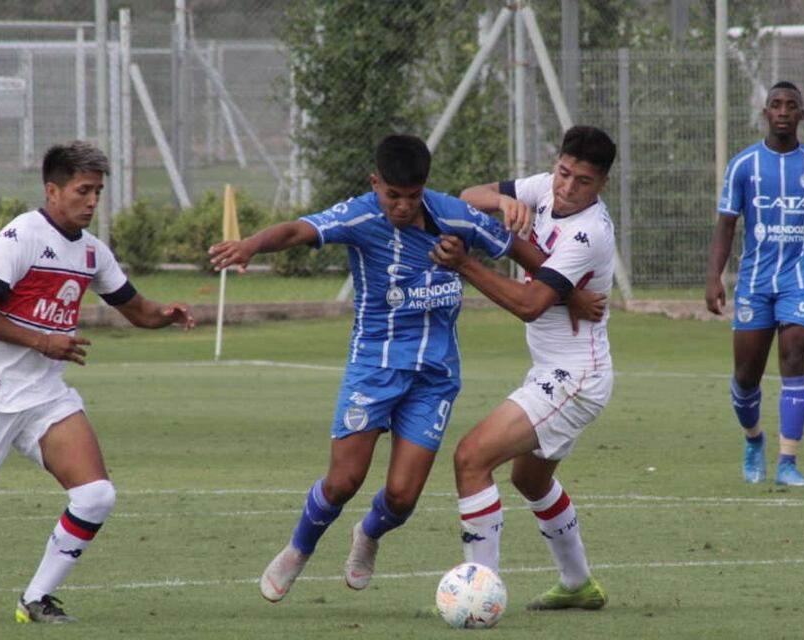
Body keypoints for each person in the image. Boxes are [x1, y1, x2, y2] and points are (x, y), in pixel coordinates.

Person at [208, 134, 605, 603]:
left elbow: (518, 250)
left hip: (434, 377)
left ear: (424, 189)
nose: (400, 206)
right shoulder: (359, 215)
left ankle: (368, 535)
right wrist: (252, 245)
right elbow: (298, 231)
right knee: (343, 481)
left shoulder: (453, 217)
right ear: (375, 184)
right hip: (374, 367)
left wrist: (568, 289)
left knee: (401, 497)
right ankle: (298, 549)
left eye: (411, 197)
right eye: (391, 195)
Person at [0, 140, 195, 623]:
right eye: (83, 190)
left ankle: (34, 600)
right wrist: (41, 341)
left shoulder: (93, 254)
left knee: (96, 495)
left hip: (44, 398)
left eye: (98, 191)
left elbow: (136, 310)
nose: (93, 202)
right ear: (52, 190)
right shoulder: (21, 238)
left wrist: (166, 314)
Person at [429, 125, 617, 611]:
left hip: (574, 378)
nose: (567, 188)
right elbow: (467, 196)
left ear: (601, 186)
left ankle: (478, 595)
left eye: (583, 182)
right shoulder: (544, 188)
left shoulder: (589, 231)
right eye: (563, 173)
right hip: (559, 370)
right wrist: (499, 203)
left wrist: (466, 265)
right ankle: (579, 586)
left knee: (471, 458)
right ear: (556, 163)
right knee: (530, 481)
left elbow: (531, 304)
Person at [705, 81, 804, 486]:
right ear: (766, 114)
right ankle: (754, 437)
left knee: (794, 358)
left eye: (792, 105)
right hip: (754, 283)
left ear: (802, 115)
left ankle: (788, 462)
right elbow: (725, 225)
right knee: (746, 377)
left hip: (799, 280)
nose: (784, 111)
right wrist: (714, 277)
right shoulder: (743, 166)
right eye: (776, 105)